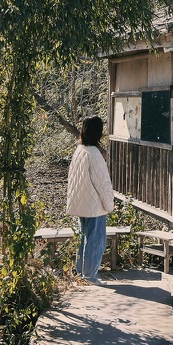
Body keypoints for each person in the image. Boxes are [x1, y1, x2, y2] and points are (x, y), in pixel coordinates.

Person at [65, 116, 115, 285]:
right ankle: (90, 277)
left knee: (84, 240)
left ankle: (81, 274)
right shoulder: (95, 154)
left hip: (81, 203)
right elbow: (102, 183)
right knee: (95, 242)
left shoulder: (79, 150)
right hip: (94, 205)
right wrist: (109, 204)